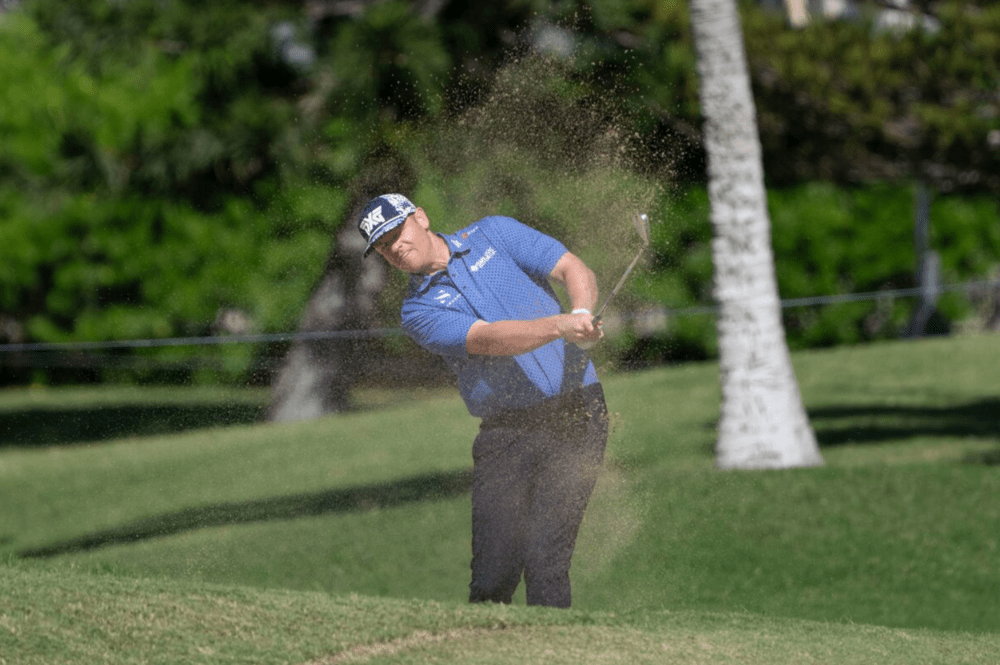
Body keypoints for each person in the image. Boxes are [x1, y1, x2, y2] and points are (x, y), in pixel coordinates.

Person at [358, 193, 608, 609]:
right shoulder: (417, 312)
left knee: (547, 561)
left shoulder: (494, 233)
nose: (394, 247)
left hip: (578, 413)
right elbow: (492, 339)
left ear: (420, 217)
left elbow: (570, 266)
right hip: (507, 432)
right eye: (383, 246)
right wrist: (561, 325)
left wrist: (581, 310)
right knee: (493, 576)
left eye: (396, 233)